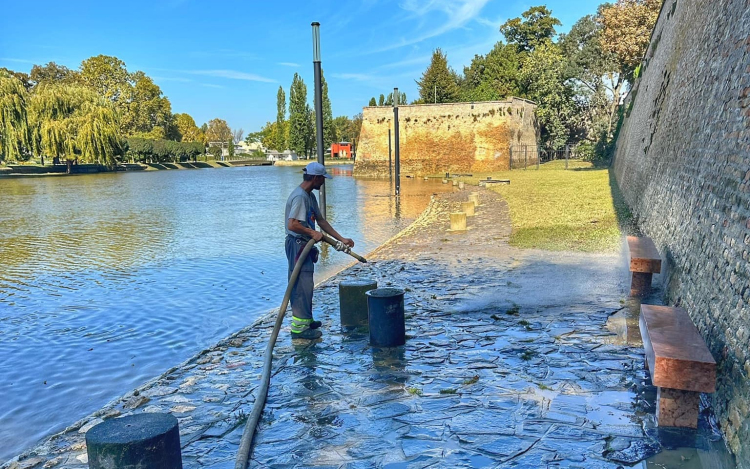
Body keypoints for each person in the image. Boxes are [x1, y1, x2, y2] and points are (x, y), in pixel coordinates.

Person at [285, 162, 355, 339]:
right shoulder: (300, 197)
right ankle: (299, 330)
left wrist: (342, 239)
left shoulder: (310, 197)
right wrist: (311, 232)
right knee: (300, 285)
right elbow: (292, 224)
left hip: (304, 245)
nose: (323, 182)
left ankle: (306, 320)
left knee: (307, 284)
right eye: (322, 178)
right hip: (297, 245)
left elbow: (321, 221)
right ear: (315, 178)